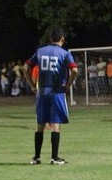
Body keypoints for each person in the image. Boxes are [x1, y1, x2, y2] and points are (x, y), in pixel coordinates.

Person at [23, 27, 78, 165]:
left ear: (50, 39)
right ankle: (54, 158)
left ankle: (36, 157)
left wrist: (31, 85)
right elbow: (75, 70)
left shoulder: (40, 51)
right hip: (57, 92)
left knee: (40, 124)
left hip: (42, 92)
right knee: (56, 124)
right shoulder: (65, 53)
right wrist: (68, 85)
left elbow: (25, 67)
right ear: (62, 39)